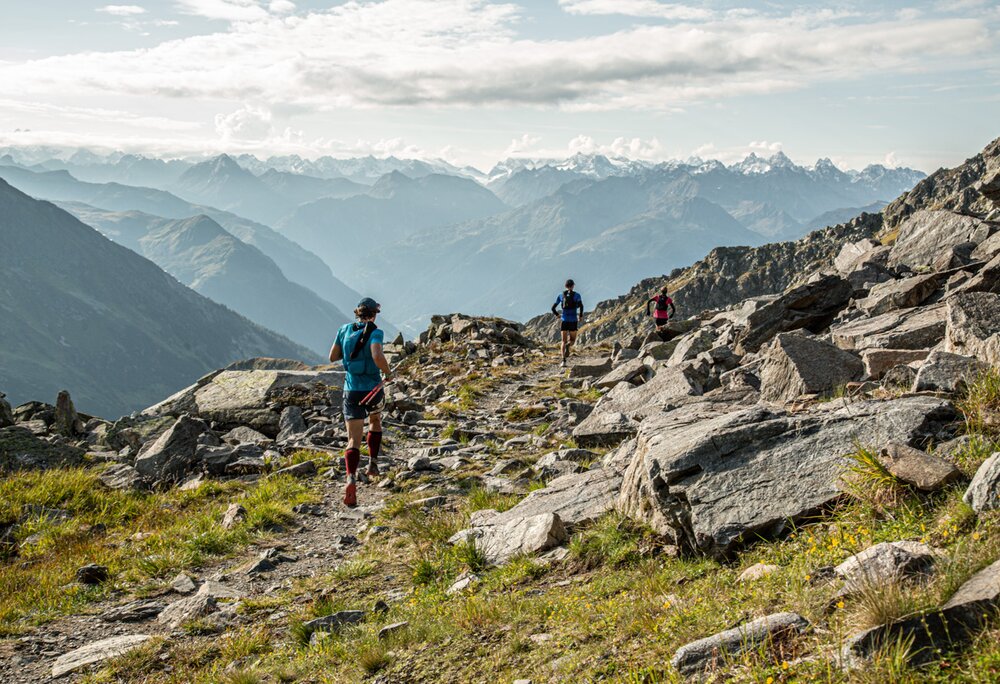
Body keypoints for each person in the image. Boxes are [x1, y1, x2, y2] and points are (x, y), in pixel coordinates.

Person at [329, 297, 391, 507]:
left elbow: (333, 356)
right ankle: (373, 464)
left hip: (352, 390)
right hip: (373, 388)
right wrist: (388, 372)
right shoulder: (376, 332)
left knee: (352, 440)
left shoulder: (344, 330)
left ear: (357, 313)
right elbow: (377, 355)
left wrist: (351, 355)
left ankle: (350, 479)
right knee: (375, 420)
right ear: (374, 314)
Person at [551, 279, 584, 367]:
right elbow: (581, 306)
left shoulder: (561, 295)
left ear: (565, 286)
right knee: (572, 340)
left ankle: (563, 361)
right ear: (573, 286)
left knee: (563, 341)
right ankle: (568, 346)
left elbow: (553, 308)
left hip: (564, 320)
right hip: (573, 320)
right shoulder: (577, 295)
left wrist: (557, 315)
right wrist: (580, 316)